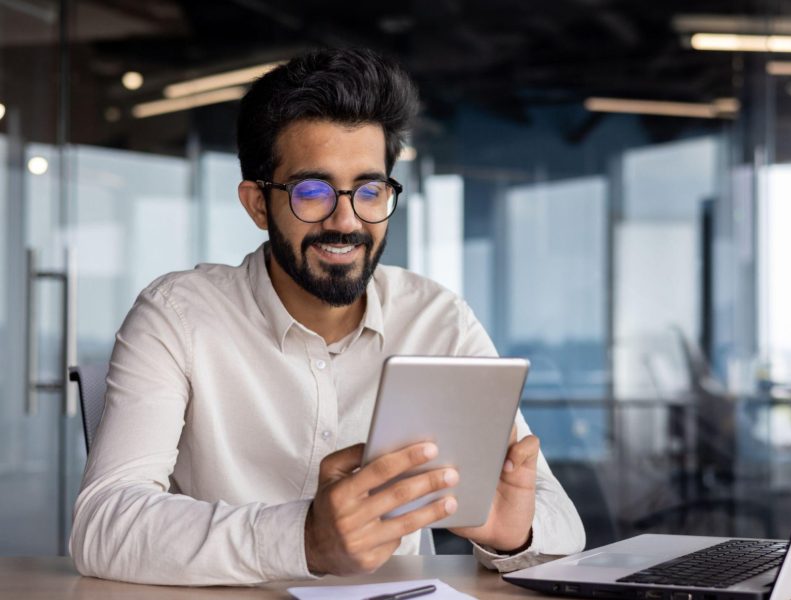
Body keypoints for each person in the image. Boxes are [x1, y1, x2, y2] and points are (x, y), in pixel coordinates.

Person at [69, 47, 585, 585]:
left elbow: (560, 521)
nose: (347, 220)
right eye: (312, 191)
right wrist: (304, 539)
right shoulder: (178, 315)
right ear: (257, 204)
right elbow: (103, 525)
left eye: (370, 190)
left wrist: (516, 534)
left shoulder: (437, 319)